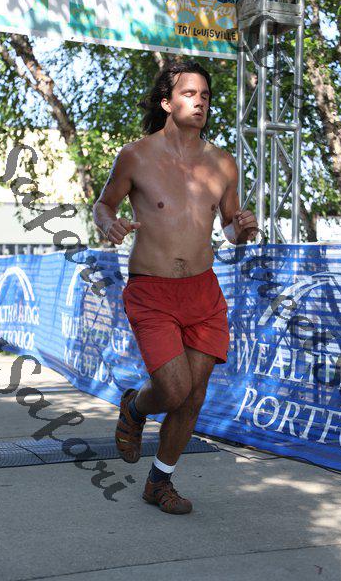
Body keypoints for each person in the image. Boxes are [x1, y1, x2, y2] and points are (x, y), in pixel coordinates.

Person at [93, 60, 258, 515]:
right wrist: (109, 224)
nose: (199, 102)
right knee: (173, 388)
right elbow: (104, 204)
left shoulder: (223, 162)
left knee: (194, 395)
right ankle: (135, 407)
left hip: (203, 292)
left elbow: (229, 227)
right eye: (189, 93)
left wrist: (243, 228)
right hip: (152, 290)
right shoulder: (135, 156)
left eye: (205, 95)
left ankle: (159, 481)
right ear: (167, 102)